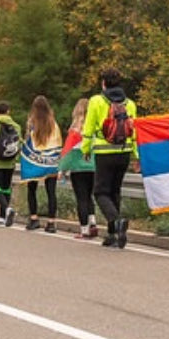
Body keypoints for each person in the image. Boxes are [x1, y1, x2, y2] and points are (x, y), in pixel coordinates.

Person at [80, 67, 138, 248]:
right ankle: (113, 234)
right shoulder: (130, 103)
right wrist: (136, 155)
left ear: (103, 83)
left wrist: (86, 149)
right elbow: (134, 131)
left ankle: (116, 221)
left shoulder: (97, 101)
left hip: (104, 152)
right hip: (124, 151)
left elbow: (88, 128)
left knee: (100, 192)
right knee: (115, 191)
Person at [22, 95, 64, 232]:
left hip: (35, 160)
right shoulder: (53, 123)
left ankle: (34, 218)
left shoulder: (31, 122)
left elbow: (27, 140)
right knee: (51, 192)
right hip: (51, 160)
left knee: (32, 189)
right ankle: (51, 222)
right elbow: (58, 142)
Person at [59, 97, 99, 239]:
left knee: (81, 198)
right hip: (94, 167)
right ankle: (93, 221)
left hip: (78, 168)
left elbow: (67, 151)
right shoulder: (95, 128)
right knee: (90, 197)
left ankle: (84, 229)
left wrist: (62, 169)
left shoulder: (75, 132)